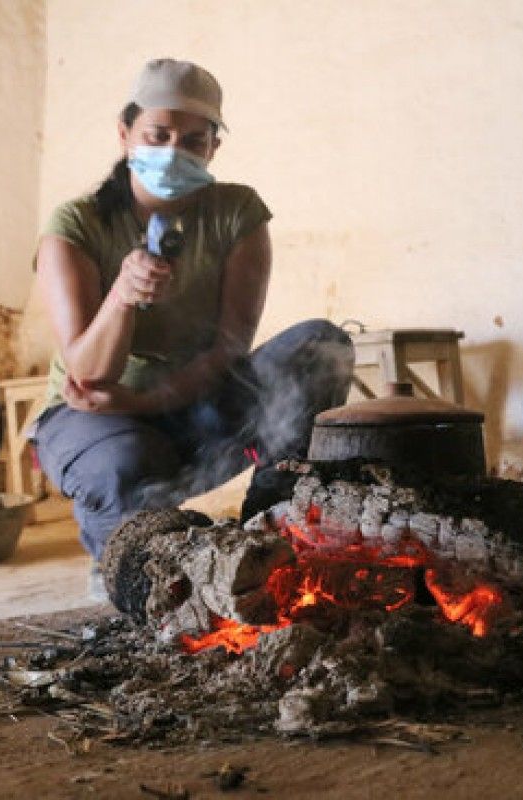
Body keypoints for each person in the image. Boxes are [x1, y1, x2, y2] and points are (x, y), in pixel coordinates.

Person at [31, 59, 354, 594]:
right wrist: (122, 297)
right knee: (124, 462)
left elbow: (229, 351)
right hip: (93, 420)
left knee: (321, 345)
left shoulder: (238, 213)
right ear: (125, 133)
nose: (173, 150)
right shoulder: (75, 226)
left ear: (213, 149)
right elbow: (87, 375)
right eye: (158, 135)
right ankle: (126, 569)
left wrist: (143, 404)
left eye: (193, 140)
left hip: (195, 414)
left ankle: (273, 524)